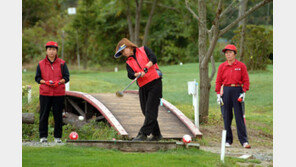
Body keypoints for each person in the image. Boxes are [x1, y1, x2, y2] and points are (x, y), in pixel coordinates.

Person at [114, 38, 163, 141]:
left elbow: (153, 58)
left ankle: (143, 134)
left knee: (150, 110)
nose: (123, 53)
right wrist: (138, 74)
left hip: (155, 83)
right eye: (121, 52)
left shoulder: (144, 50)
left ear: (129, 46)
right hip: (143, 86)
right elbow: (130, 75)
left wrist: (146, 67)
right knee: (145, 111)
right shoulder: (128, 62)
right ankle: (157, 135)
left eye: (123, 50)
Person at [215, 44, 251, 149]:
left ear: (234, 54)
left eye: (230, 53)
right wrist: (218, 94)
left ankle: (244, 141)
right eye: (226, 53)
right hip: (226, 91)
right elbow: (218, 81)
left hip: (237, 91)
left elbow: (246, 80)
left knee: (239, 117)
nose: (228, 55)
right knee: (227, 117)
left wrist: (244, 92)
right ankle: (228, 140)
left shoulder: (241, 66)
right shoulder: (222, 66)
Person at [35, 41, 70, 143]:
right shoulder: (40, 64)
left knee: (58, 116)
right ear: (46, 51)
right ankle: (43, 137)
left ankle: (57, 137)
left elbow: (66, 77)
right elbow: (37, 78)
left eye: (53, 49)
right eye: (49, 49)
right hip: (45, 93)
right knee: (44, 115)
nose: (51, 51)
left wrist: (59, 82)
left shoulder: (62, 63)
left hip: (58, 93)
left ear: (56, 51)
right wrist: (45, 82)